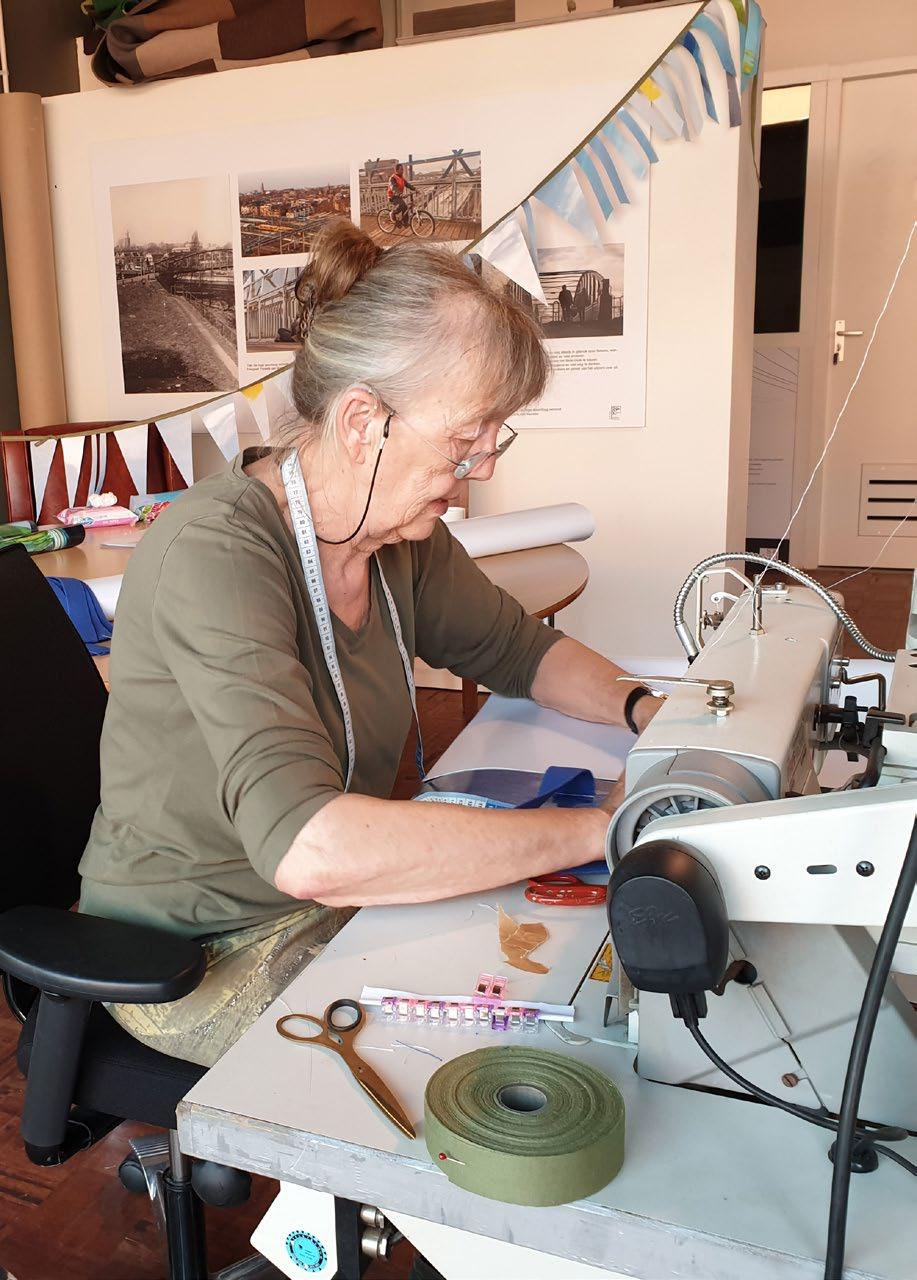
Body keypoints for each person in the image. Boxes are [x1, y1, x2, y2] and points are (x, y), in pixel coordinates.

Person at [79, 220, 664, 1072]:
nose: (483, 468)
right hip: (193, 948)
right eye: (466, 439)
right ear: (364, 423)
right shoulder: (216, 551)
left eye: (493, 439)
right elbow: (310, 847)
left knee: (544, 970)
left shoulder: (398, 539)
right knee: (477, 1056)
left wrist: (651, 710)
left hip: (328, 898)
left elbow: (521, 651)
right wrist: (600, 827)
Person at [387, 162, 416, 227]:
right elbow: (393, 187)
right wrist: (400, 194)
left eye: (403, 169)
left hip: (398, 196)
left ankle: (405, 222)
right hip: (393, 196)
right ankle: (392, 213)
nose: (402, 171)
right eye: (401, 169)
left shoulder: (401, 178)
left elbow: (407, 184)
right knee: (402, 205)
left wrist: (415, 189)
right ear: (396, 170)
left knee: (405, 207)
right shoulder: (392, 178)